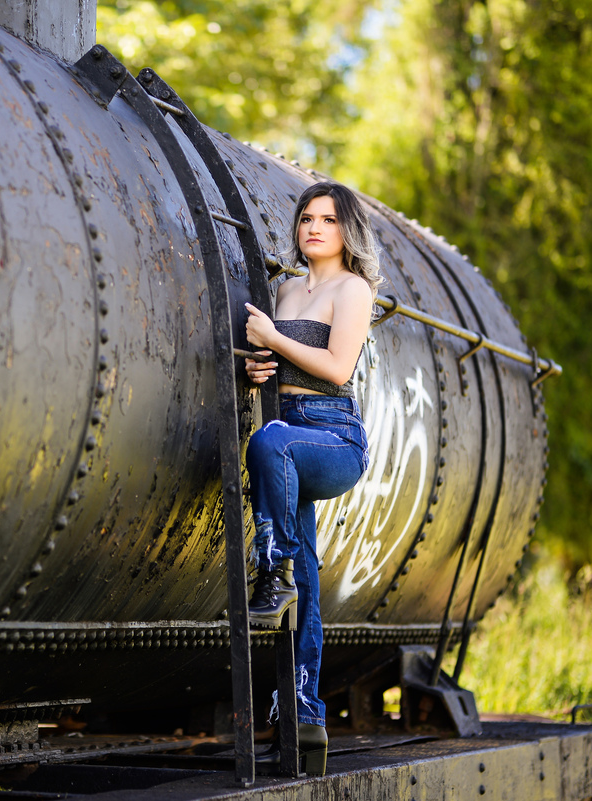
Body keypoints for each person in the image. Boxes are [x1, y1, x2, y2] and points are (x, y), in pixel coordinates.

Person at [241, 180, 381, 776]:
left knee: (269, 441)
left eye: (328, 219)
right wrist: (260, 367)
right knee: (308, 576)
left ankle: (269, 569)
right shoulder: (285, 289)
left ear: (347, 231)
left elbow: (336, 367)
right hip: (287, 432)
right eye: (306, 219)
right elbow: (279, 366)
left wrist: (273, 337)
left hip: (332, 436)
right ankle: (305, 718)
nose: (315, 228)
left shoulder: (353, 289)